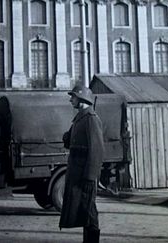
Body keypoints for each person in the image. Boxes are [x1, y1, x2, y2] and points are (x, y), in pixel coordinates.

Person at [59, 85, 104, 243]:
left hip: (85, 175)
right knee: (85, 212)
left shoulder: (91, 119)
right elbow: (70, 141)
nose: (71, 99)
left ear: (82, 98)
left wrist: (90, 177)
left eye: (73, 96)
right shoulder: (80, 118)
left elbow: (96, 151)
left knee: (89, 212)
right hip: (78, 174)